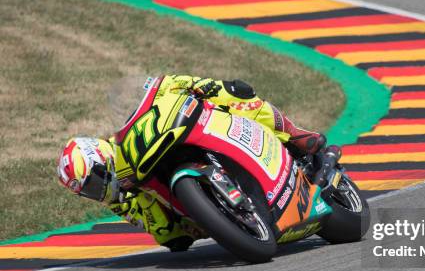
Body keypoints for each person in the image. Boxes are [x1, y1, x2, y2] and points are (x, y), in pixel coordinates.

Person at [57, 75, 327, 252]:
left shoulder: (126, 147)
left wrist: (203, 85)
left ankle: (296, 135)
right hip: (179, 203)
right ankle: (235, 210)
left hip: (183, 131)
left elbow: (163, 86)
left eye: (94, 180)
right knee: (173, 239)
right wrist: (135, 203)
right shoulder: (121, 201)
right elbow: (168, 236)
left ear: (100, 156)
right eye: (89, 191)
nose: (98, 189)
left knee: (238, 94)